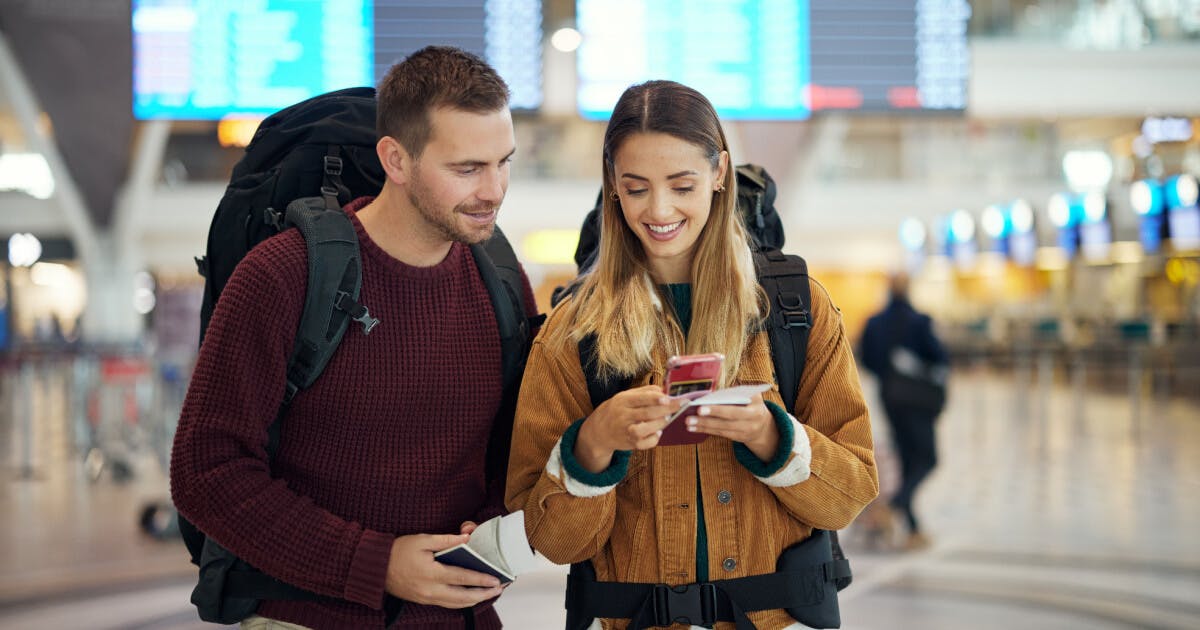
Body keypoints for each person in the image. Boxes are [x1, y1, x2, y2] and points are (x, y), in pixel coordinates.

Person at [170, 46, 538, 630]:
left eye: (504, 162)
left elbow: (512, 447)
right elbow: (206, 471)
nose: (494, 190)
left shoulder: (500, 278)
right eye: (467, 169)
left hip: (458, 619)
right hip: (305, 616)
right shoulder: (283, 275)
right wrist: (376, 563)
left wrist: (490, 524)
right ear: (395, 158)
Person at [505, 80, 878, 629]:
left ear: (720, 173)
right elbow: (553, 541)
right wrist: (592, 446)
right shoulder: (573, 330)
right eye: (636, 189)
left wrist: (771, 437)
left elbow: (850, 495)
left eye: (683, 185)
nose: (660, 210)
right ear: (611, 183)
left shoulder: (795, 307)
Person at [858, 271, 948, 551]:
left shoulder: (874, 322)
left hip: (890, 397)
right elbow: (940, 358)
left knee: (907, 458)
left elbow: (866, 357)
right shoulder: (920, 322)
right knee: (927, 459)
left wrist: (887, 376)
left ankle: (913, 529)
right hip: (917, 400)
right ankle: (894, 507)